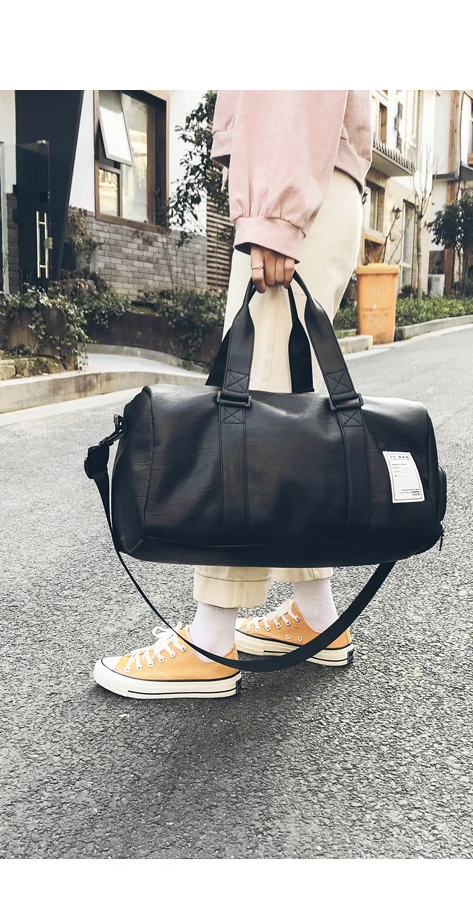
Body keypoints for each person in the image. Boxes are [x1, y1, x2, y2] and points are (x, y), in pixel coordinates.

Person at [94, 91, 373, 699]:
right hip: (315, 181)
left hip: (295, 186)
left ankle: (211, 643)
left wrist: (275, 217)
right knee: (289, 420)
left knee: (246, 426)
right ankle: (318, 617)